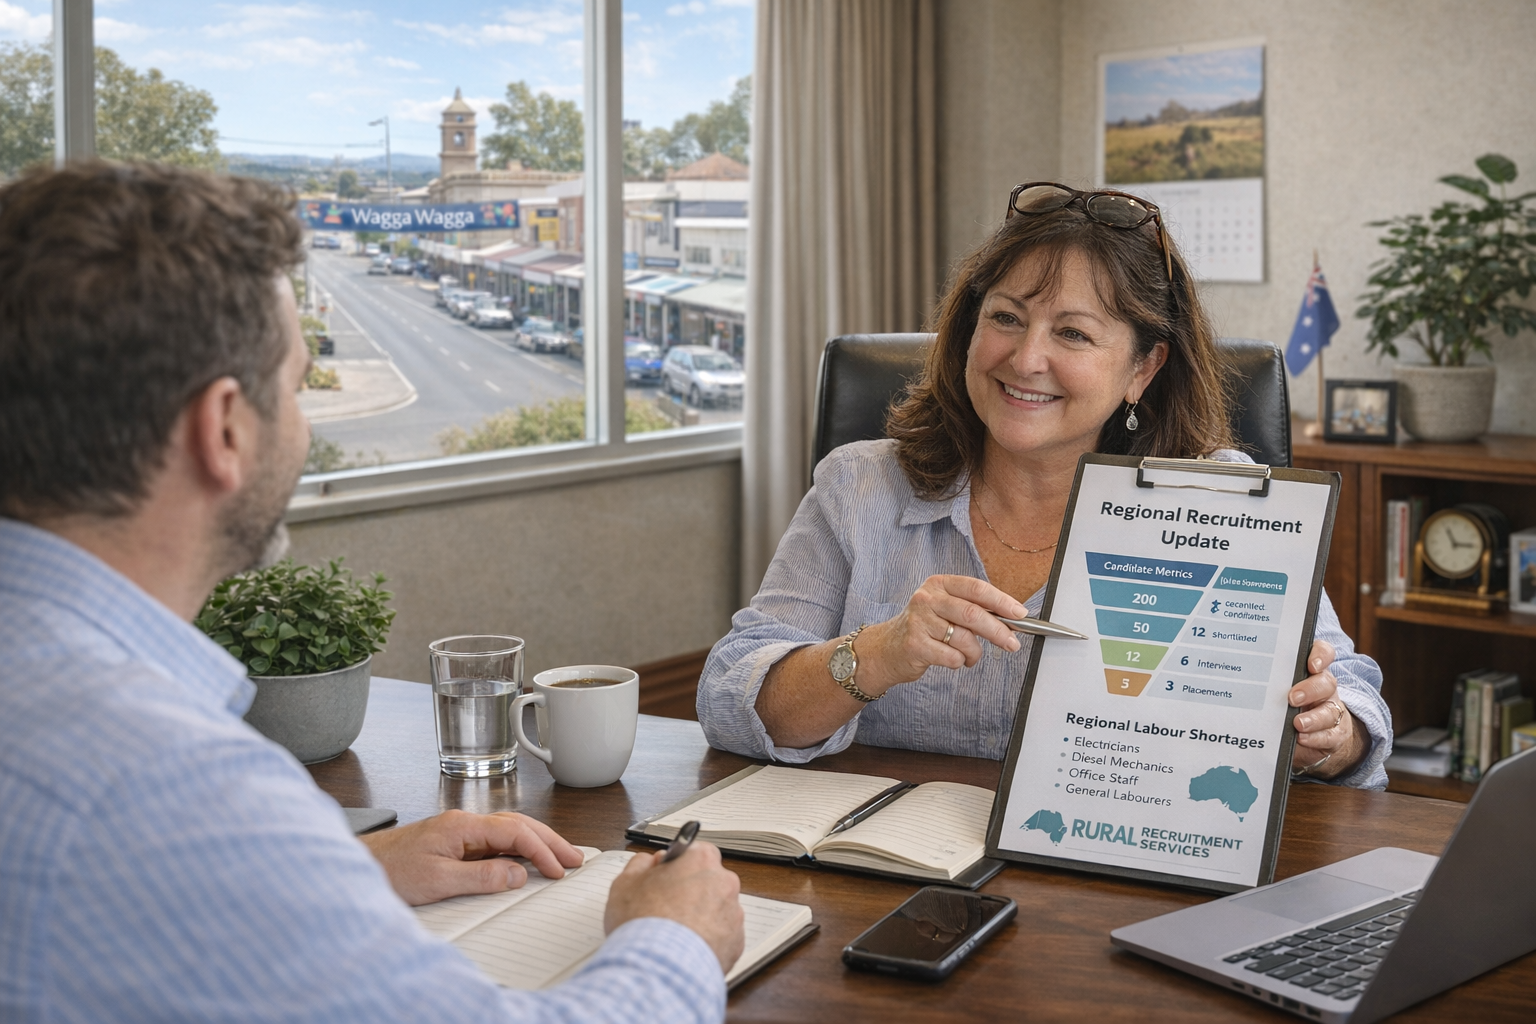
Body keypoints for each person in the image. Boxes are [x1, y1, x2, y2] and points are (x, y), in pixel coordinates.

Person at [0, 162, 744, 1023]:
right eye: (298, 386)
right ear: (226, 429)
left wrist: (337, 874)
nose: (304, 422)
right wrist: (675, 936)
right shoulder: (165, 783)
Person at [699, 182, 1391, 789]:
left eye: (1073, 334)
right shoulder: (859, 486)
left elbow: (1351, 696)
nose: (1026, 359)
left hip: (1116, 886)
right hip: (891, 880)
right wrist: (878, 653)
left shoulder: (1220, 502)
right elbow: (732, 696)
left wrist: (1331, 732)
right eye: (1005, 318)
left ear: (1142, 369)